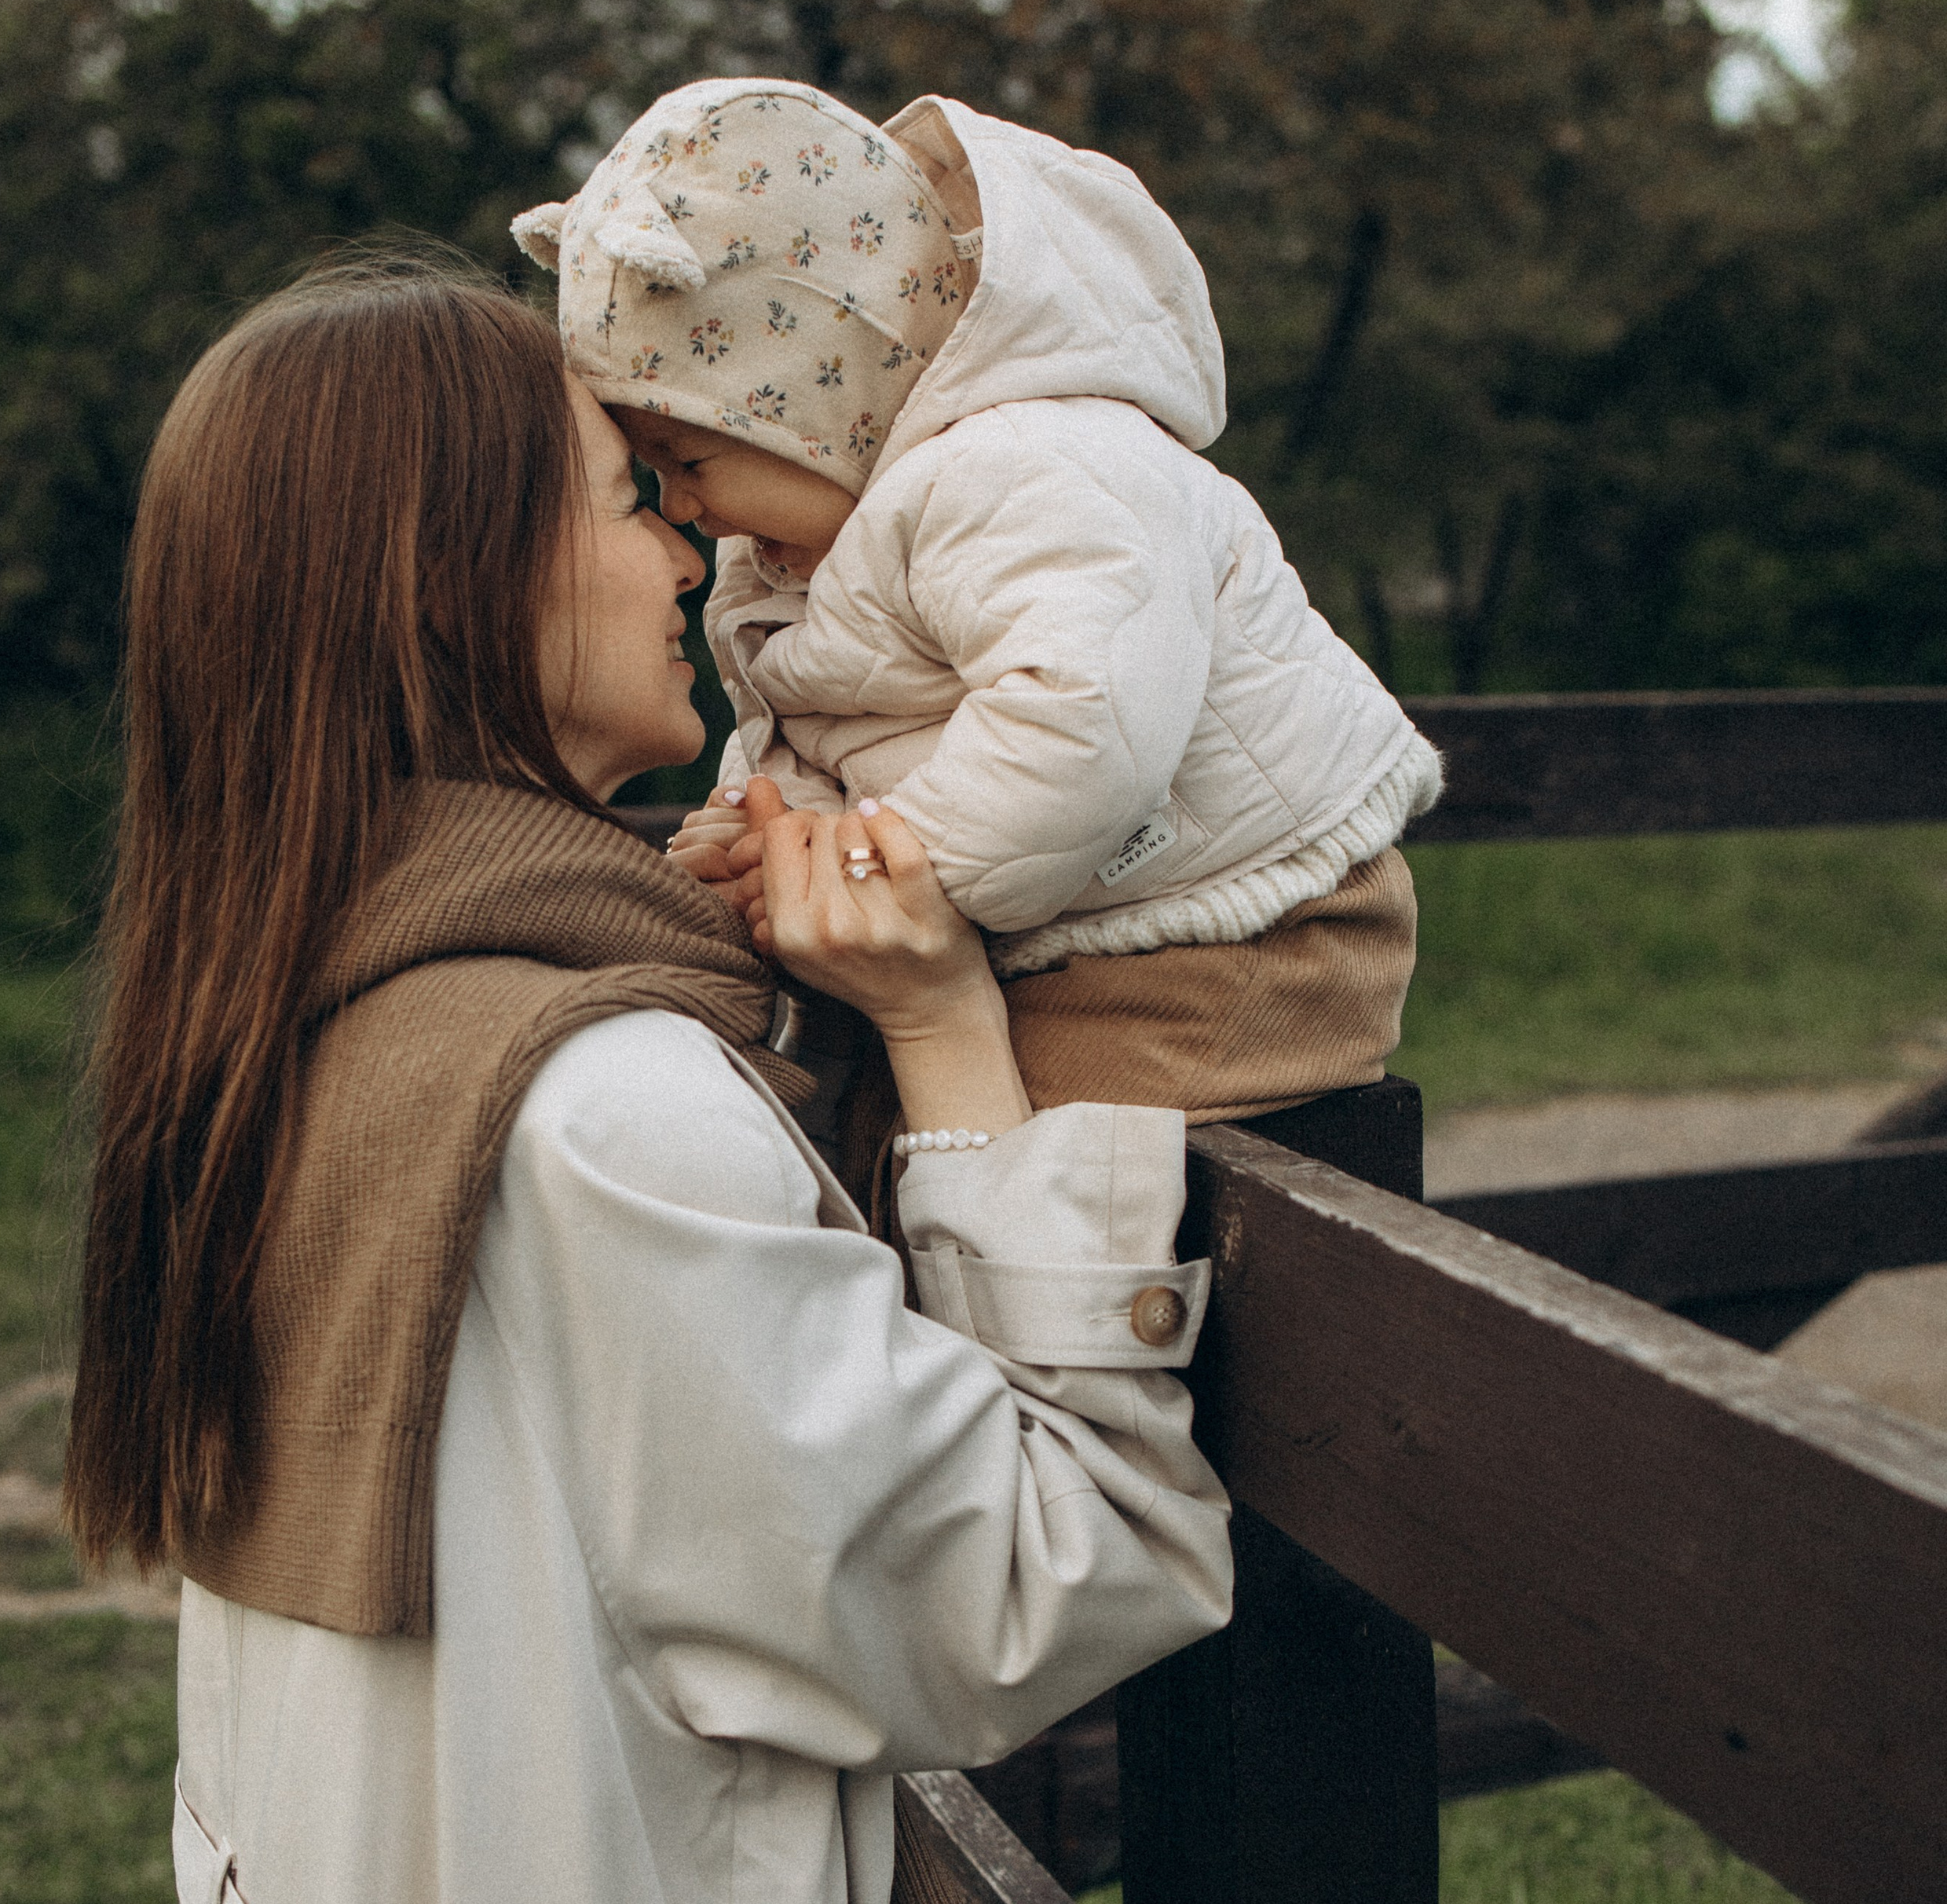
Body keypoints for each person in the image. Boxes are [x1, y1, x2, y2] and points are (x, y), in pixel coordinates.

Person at [64, 248, 1234, 1904]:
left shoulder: (268, 1028)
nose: (695, 542)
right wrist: (959, 1054)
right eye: (624, 490)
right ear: (451, 574)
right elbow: (1042, 1580)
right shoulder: (601, 1115)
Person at [513, 79, 1440, 1192]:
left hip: (1230, 937)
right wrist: (760, 831)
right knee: (887, 1120)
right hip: (1072, 924)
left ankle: (1043, 1345)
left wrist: (862, 873)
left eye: (688, 459)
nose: (681, 508)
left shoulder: (1036, 470)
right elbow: (823, 733)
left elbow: (1081, 718)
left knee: (1045, 1182)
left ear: (812, 402)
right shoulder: (798, 550)